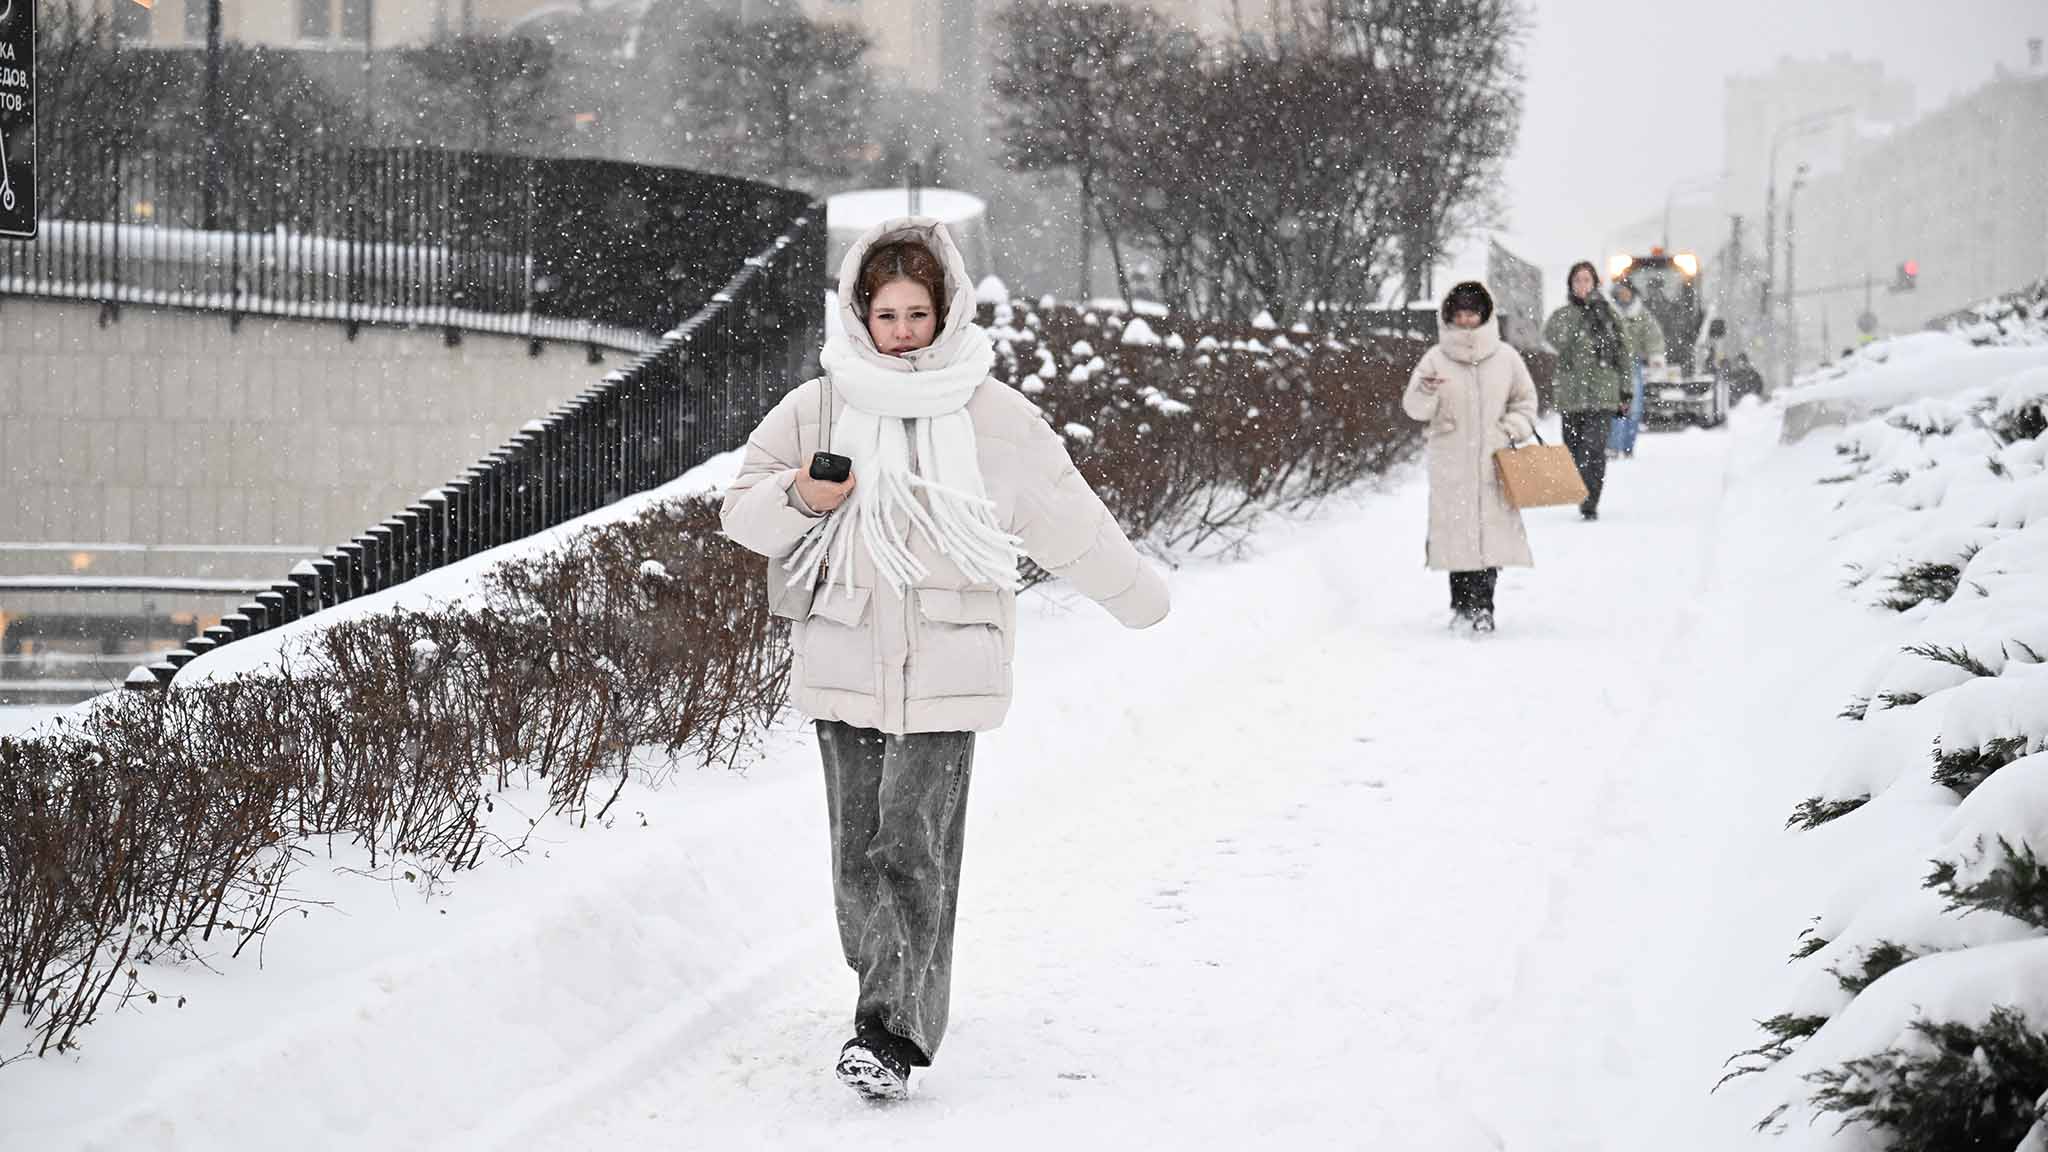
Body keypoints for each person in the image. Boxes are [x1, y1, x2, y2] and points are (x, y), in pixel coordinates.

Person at [719, 217, 1170, 1101]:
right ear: (860, 313)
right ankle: (884, 987)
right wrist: (803, 494)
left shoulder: (993, 416)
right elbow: (742, 515)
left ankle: (890, 1032)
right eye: (885, 314)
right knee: (858, 857)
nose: (901, 332)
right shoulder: (816, 408)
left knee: (912, 846)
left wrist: (1136, 597)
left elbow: (1067, 516)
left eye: (916, 314)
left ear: (946, 311)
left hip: (949, 666)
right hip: (845, 657)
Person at [1402, 281, 1539, 633]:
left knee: (1489, 533)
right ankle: (1461, 605)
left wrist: (1510, 429)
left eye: (1472, 314)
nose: (1465, 321)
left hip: (1494, 459)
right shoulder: (1435, 359)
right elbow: (1414, 409)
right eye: (1459, 315)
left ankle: (1484, 606)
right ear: (1449, 317)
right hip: (1450, 459)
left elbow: (1526, 403)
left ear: (1485, 315)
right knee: (1456, 533)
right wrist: (1425, 390)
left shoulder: (1506, 358)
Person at [1542, 262, 1634, 520]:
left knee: (1593, 449)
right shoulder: (1562, 316)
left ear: (1595, 284)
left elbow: (1624, 354)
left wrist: (1626, 391)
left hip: (1603, 393)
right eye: (1577, 281)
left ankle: (1590, 500)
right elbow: (1555, 341)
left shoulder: (1610, 315)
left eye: (1586, 280)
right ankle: (1583, 489)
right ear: (1570, 285)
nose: (1582, 285)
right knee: (1573, 450)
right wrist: (1581, 317)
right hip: (1571, 395)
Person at [1607, 279, 1666, 459]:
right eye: (1620, 292)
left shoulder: (1642, 314)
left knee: (1634, 407)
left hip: (1633, 365)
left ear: (1633, 293)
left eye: (1626, 292)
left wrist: (1655, 355)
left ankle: (1628, 447)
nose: (1623, 295)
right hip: (1612, 365)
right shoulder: (1608, 314)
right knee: (1616, 408)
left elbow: (1653, 335)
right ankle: (1613, 446)